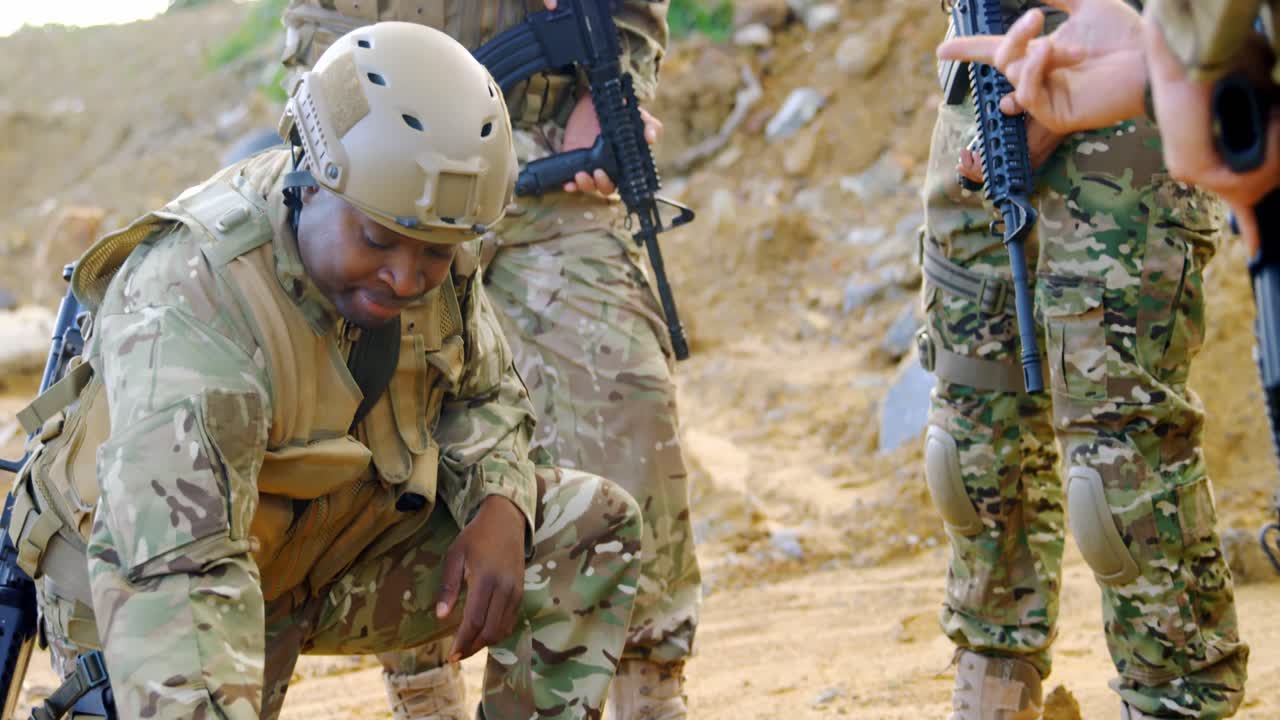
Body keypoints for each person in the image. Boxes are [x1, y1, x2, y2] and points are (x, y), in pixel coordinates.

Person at [8, 22, 641, 720]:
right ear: (311, 182)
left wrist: (501, 503)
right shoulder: (195, 301)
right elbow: (175, 581)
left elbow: (484, 391)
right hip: (157, 583)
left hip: (320, 553)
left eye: (434, 253)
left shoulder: (424, 226)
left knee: (589, 526)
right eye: (377, 240)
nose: (407, 278)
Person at [279, 2, 702, 718]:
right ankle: (423, 692)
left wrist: (611, 87)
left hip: (549, 150)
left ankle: (647, 691)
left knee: (628, 407)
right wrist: (339, 125)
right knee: (390, 433)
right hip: (385, 161)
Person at [917, 2, 1249, 718]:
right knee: (970, 440)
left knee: (1118, 462)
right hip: (978, 72)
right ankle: (992, 687)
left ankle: (1176, 698)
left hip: (1125, 78)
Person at [937, 0, 1280, 250]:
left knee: (1087, 318)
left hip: (1108, 117)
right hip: (1090, 60)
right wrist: (1151, 66)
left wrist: (1171, 55)